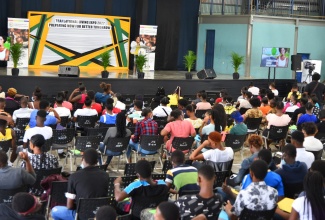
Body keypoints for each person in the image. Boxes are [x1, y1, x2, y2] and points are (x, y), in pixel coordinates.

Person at [51, 148, 109, 220]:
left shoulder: (74, 176)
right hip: (100, 214)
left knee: (54, 210)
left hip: (80, 216)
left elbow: (69, 206)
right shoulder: (105, 175)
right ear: (97, 161)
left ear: (82, 159)